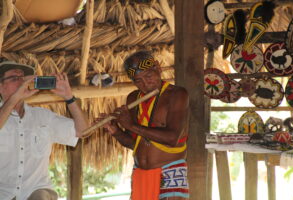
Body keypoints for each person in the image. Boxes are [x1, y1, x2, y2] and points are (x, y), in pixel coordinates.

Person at [102, 51, 189, 200]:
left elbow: (172, 138)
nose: (145, 84)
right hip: (140, 172)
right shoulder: (133, 98)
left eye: (148, 76)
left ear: (158, 67)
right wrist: (116, 131)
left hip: (169, 172)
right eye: (138, 80)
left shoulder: (177, 94)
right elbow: (135, 143)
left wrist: (130, 125)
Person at [0, 61, 89, 200]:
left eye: (22, 78)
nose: (21, 82)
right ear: (1, 87)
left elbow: (83, 131)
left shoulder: (43, 116)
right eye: (14, 78)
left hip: (37, 191)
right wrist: (14, 98)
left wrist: (69, 97)